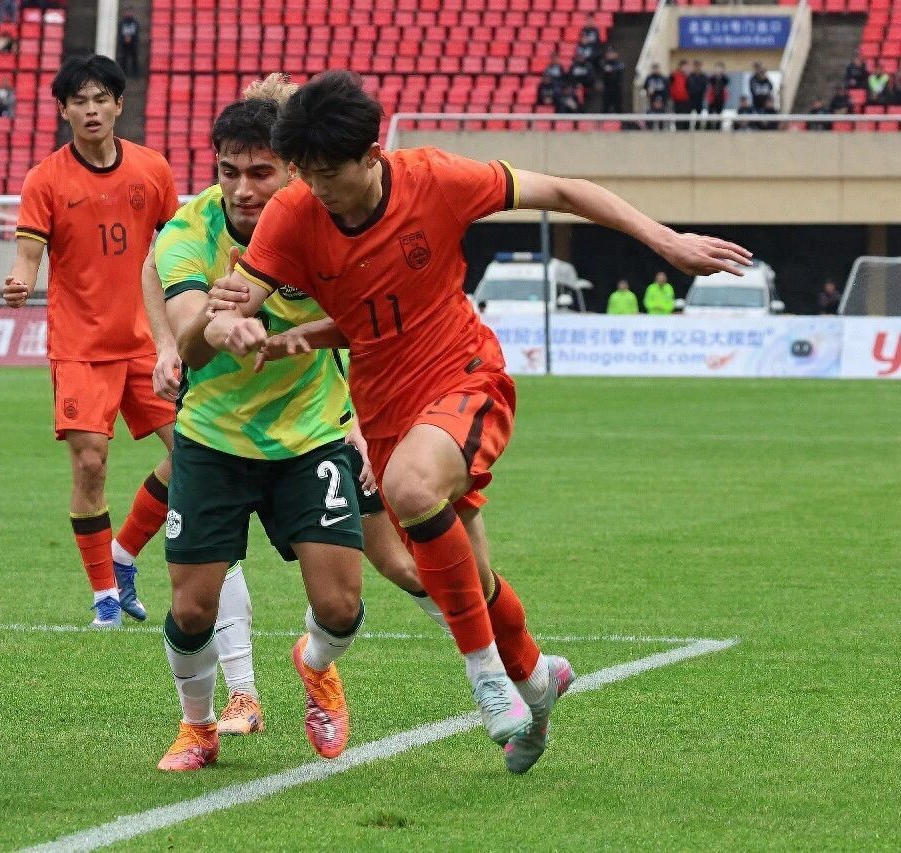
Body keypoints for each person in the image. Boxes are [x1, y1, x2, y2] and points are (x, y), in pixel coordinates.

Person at [205, 71, 750, 765]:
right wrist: (235, 326)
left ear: (371, 155)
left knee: (409, 489)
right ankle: (536, 682)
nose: (315, 188)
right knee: (468, 579)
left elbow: (564, 191)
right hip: (384, 403)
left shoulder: (437, 179)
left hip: (463, 373)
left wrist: (665, 241)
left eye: (328, 173)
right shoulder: (294, 213)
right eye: (304, 173)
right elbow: (239, 306)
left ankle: (488, 678)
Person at [145, 76, 450, 771]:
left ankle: (315, 665)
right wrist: (212, 329)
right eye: (229, 171)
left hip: (311, 433)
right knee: (191, 610)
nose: (242, 189)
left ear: (292, 169)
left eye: (260, 173)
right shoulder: (190, 230)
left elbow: (367, 327)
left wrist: (360, 420)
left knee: (341, 605)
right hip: (214, 437)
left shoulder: (328, 221)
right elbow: (188, 324)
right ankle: (197, 726)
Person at [1, 55, 180, 629]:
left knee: (196, 455)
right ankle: (104, 594)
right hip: (80, 347)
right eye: (79, 101)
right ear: (63, 110)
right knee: (90, 464)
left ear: (119, 104)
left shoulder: (153, 169)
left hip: (147, 342)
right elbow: (28, 254)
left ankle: (124, 554)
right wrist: (20, 281)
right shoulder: (45, 179)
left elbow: (178, 246)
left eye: (101, 98)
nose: (91, 109)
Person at [599, 47, 624, 114]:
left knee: (618, 107)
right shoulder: (603, 62)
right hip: (607, 88)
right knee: (605, 108)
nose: (610, 55)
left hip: (617, 88)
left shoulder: (619, 63)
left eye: (612, 53)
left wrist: (612, 69)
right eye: (609, 53)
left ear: (616, 54)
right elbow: (603, 69)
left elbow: (620, 68)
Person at [118, 8, 140, 77]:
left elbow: (136, 33)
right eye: (127, 12)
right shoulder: (122, 23)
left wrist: (131, 38)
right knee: (123, 59)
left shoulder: (135, 23)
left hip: (133, 44)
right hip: (124, 44)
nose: (128, 14)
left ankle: (135, 73)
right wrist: (124, 39)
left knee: (134, 59)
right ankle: (123, 73)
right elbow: (120, 33)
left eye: (130, 12)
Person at [669, 60, 690, 129]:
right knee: (678, 119)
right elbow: (670, 86)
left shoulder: (688, 76)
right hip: (677, 101)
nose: (685, 68)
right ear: (680, 66)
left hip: (686, 101)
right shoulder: (674, 75)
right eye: (684, 66)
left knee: (686, 119)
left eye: (686, 67)